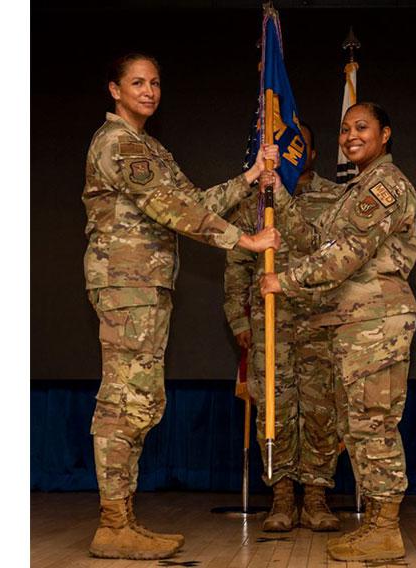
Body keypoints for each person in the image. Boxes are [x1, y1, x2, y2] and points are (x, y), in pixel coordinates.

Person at [82, 52, 281, 560]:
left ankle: (122, 519)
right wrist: (248, 240)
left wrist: (250, 175)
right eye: (137, 82)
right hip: (127, 287)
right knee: (125, 400)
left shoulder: (147, 146)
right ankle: (112, 523)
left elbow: (192, 200)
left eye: (155, 82)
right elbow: (174, 211)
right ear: (114, 89)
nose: (148, 90)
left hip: (145, 288)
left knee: (141, 398)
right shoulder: (118, 144)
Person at [260, 102, 416, 562]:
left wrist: (282, 281)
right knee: (360, 424)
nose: (350, 136)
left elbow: (345, 254)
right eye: (345, 128)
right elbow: (314, 239)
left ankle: (385, 528)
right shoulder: (355, 189)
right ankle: (375, 525)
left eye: (362, 127)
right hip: (355, 325)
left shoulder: (384, 185)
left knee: (374, 425)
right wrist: (279, 194)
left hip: (376, 323)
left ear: (385, 134)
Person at [222, 122, 344, 532]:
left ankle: (315, 496)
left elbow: (328, 251)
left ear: (311, 153)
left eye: (300, 147)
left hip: (319, 319)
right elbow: (237, 263)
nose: (293, 153)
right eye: (285, 147)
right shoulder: (256, 200)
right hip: (269, 323)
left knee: (320, 410)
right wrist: (239, 318)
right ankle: (281, 496)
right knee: (274, 409)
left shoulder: (335, 197)